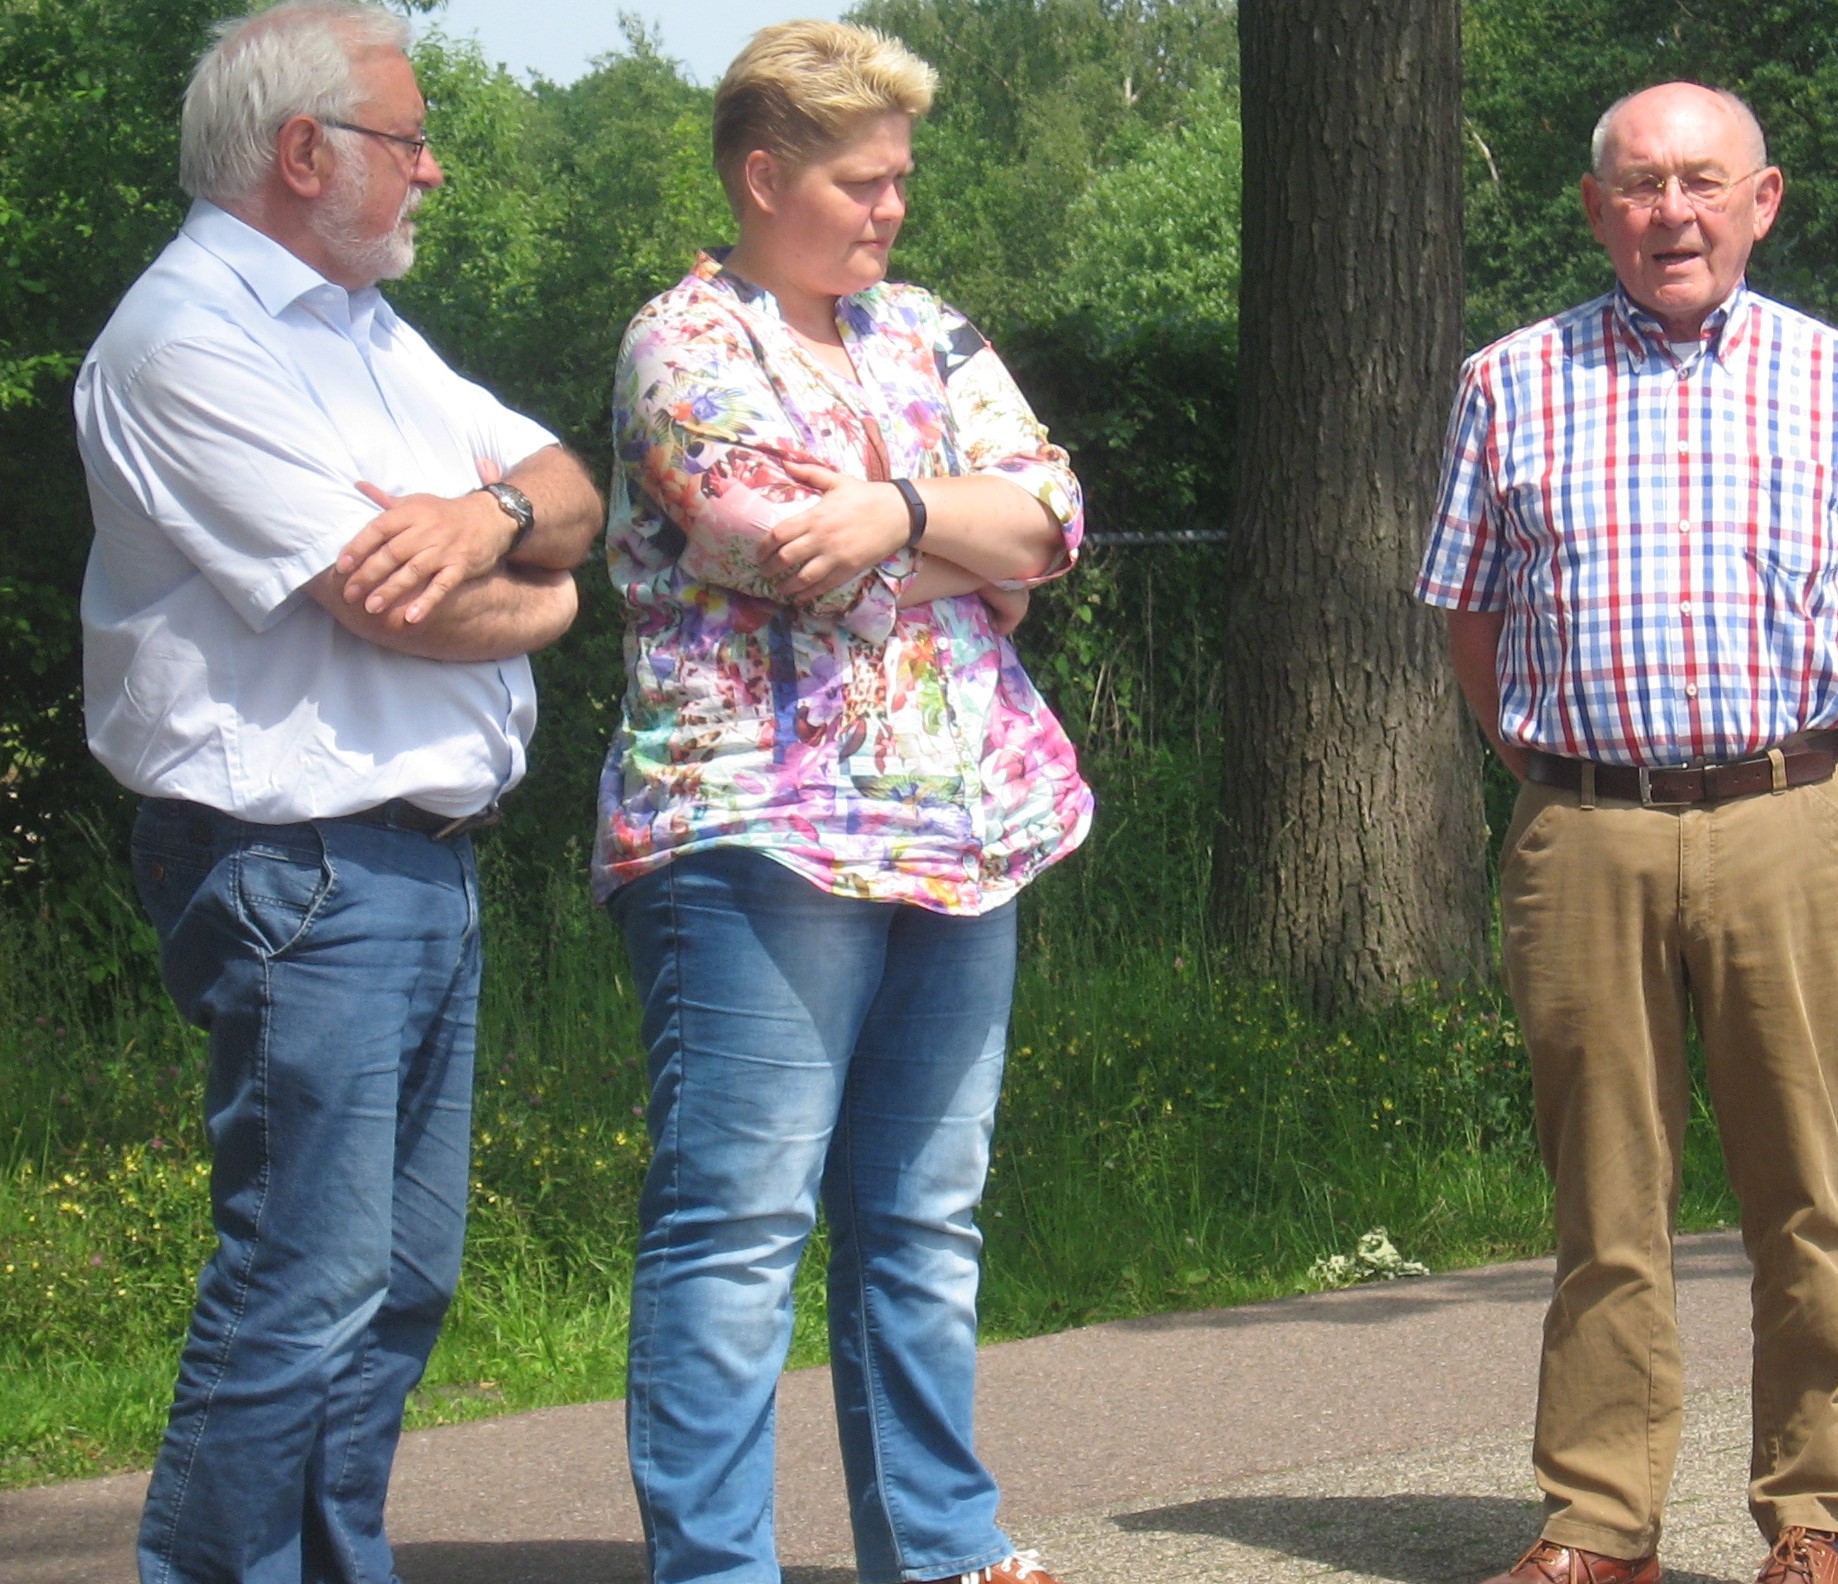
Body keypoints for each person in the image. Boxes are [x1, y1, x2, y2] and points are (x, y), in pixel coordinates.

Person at [74, 2, 602, 1579]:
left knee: (402, 1281)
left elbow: (570, 487)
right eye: (409, 138)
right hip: (296, 865)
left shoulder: (362, 329)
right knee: (301, 1281)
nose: (432, 171)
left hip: (416, 862)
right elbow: (397, 607)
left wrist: (487, 511)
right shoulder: (186, 342)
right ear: (306, 153)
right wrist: (544, 594)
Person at [1416, 83, 1838, 1584]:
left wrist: (1810, 771)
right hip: (1583, 827)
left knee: (1805, 1190)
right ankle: (1598, 1523)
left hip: (1787, 818)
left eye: (1702, 184)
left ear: (1762, 200)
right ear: (1594, 211)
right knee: (1605, 1202)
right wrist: (1542, 752)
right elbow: (1467, 611)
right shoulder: (1506, 383)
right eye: (1640, 188)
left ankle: (1813, 1516)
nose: (1673, 215)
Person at [595, 20, 1089, 1584]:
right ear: (763, 174)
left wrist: (902, 510)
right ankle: (719, 1568)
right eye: (860, 182)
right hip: (757, 834)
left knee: (924, 1219)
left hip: (966, 827)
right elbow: (775, 552)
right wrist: (961, 547)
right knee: (738, 1229)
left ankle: (941, 1551)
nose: (890, 210)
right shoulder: (681, 344)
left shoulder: (925, 331)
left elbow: (1058, 517)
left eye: (900, 180)